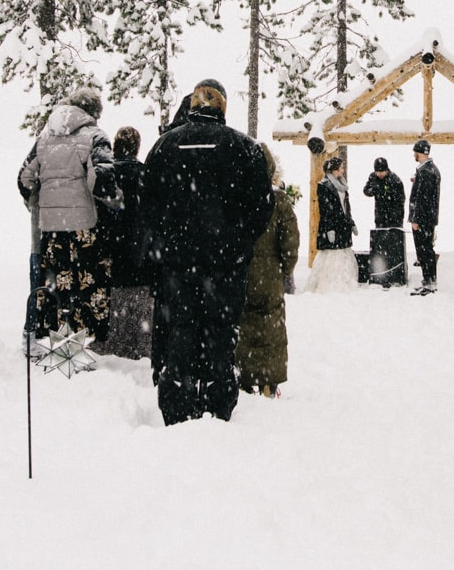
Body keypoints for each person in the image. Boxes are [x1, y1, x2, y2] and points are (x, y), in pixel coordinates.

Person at [142, 81, 274, 425]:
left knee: (181, 328)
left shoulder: (164, 146)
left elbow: (148, 203)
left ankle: (176, 398)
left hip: (179, 260)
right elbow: (262, 207)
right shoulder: (243, 148)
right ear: (222, 107)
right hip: (224, 262)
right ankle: (217, 400)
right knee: (221, 330)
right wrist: (238, 241)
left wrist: (168, 240)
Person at [20, 87, 116, 354]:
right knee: (87, 286)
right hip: (84, 226)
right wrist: (112, 201)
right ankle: (84, 346)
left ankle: (57, 343)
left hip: (52, 227)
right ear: (94, 112)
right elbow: (102, 181)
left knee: (56, 286)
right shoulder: (96, 136)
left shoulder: (44, 138)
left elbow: (24, 179)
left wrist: (41, 206)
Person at [235, 148, 298, 396]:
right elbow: (290, 243)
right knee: (270, 326)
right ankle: (268, 381)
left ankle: (244, 375)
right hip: (270, 273)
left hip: (242, 272)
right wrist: (283, 270)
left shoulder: (237, 198)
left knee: (244, 324)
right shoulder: (279, 201)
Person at [96, 127, 155, 359]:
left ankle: (116, 345)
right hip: (141, 256)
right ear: (137, 147)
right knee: (142, 319)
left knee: (117, 314)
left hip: (113, 254)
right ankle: (140, 347)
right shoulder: (146, 175)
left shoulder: (107, 176)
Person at [308, 156, 359, 293]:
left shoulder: (342, 185)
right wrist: (329, 228)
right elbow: (325, 209)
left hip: (343, 226)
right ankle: (330, 285)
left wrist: (351, 222)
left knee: (343, 255)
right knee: (331, 257)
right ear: (334, 169)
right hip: (332, 226)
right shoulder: (324, 186)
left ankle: (346, 283)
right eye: (341, 168)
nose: (343, 170)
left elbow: (346, 207)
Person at [362, 157, 406, 287]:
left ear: (387, 170)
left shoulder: (395, 180)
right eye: (377, 172)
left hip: (394, 218)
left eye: (382, 172)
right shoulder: (373, 177)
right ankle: (381, 274)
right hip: (380, 216)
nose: (380, 174)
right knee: (380, 245)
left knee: (393, 246)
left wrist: (396, 217)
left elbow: (401, 200)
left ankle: (395, 274)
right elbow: (366, 190)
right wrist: (373, 191)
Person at [409, 139, 441, 295]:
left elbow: (423, 199)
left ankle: (429, 281)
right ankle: (428, 280)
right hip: (428, 217)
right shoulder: (429, 169)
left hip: (423, 219)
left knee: (424, 250)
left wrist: (416, 219)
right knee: (426, 249)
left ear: (420, 153)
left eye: (415, 152)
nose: (414, 154)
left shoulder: (426, 171)